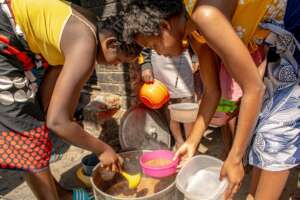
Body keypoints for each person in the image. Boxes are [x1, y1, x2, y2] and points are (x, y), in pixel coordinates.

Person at [119, 0, 300, 199]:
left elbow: (254, 88)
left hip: (293, 37)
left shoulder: (204, 15)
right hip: (280, 47)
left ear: (164, 26)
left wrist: (235, 157)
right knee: (261, 131)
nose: (158, 53)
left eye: (154, 45)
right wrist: (192, 141)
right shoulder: (196, 33)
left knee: (275, 136)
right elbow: (212, 91)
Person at [0, 0, 141, 199]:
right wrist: (102, 149)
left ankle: (59, 194)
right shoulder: (86, 45)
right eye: (119, 60)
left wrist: (73, 118)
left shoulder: (84, 29)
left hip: (16, 39)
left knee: (34, 128)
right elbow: (57, 122)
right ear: (110, 44)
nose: (115, 66)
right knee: (27, 137)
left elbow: (47, 106)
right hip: (4, 39)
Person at [140, 48, 195, 149]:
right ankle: (179, 142)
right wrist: (145, 65)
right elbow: (144, 46)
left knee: (187, 103)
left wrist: (195, 58)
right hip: (160, 59)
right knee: (169, 105)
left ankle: (190, 143)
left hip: (183, 57)